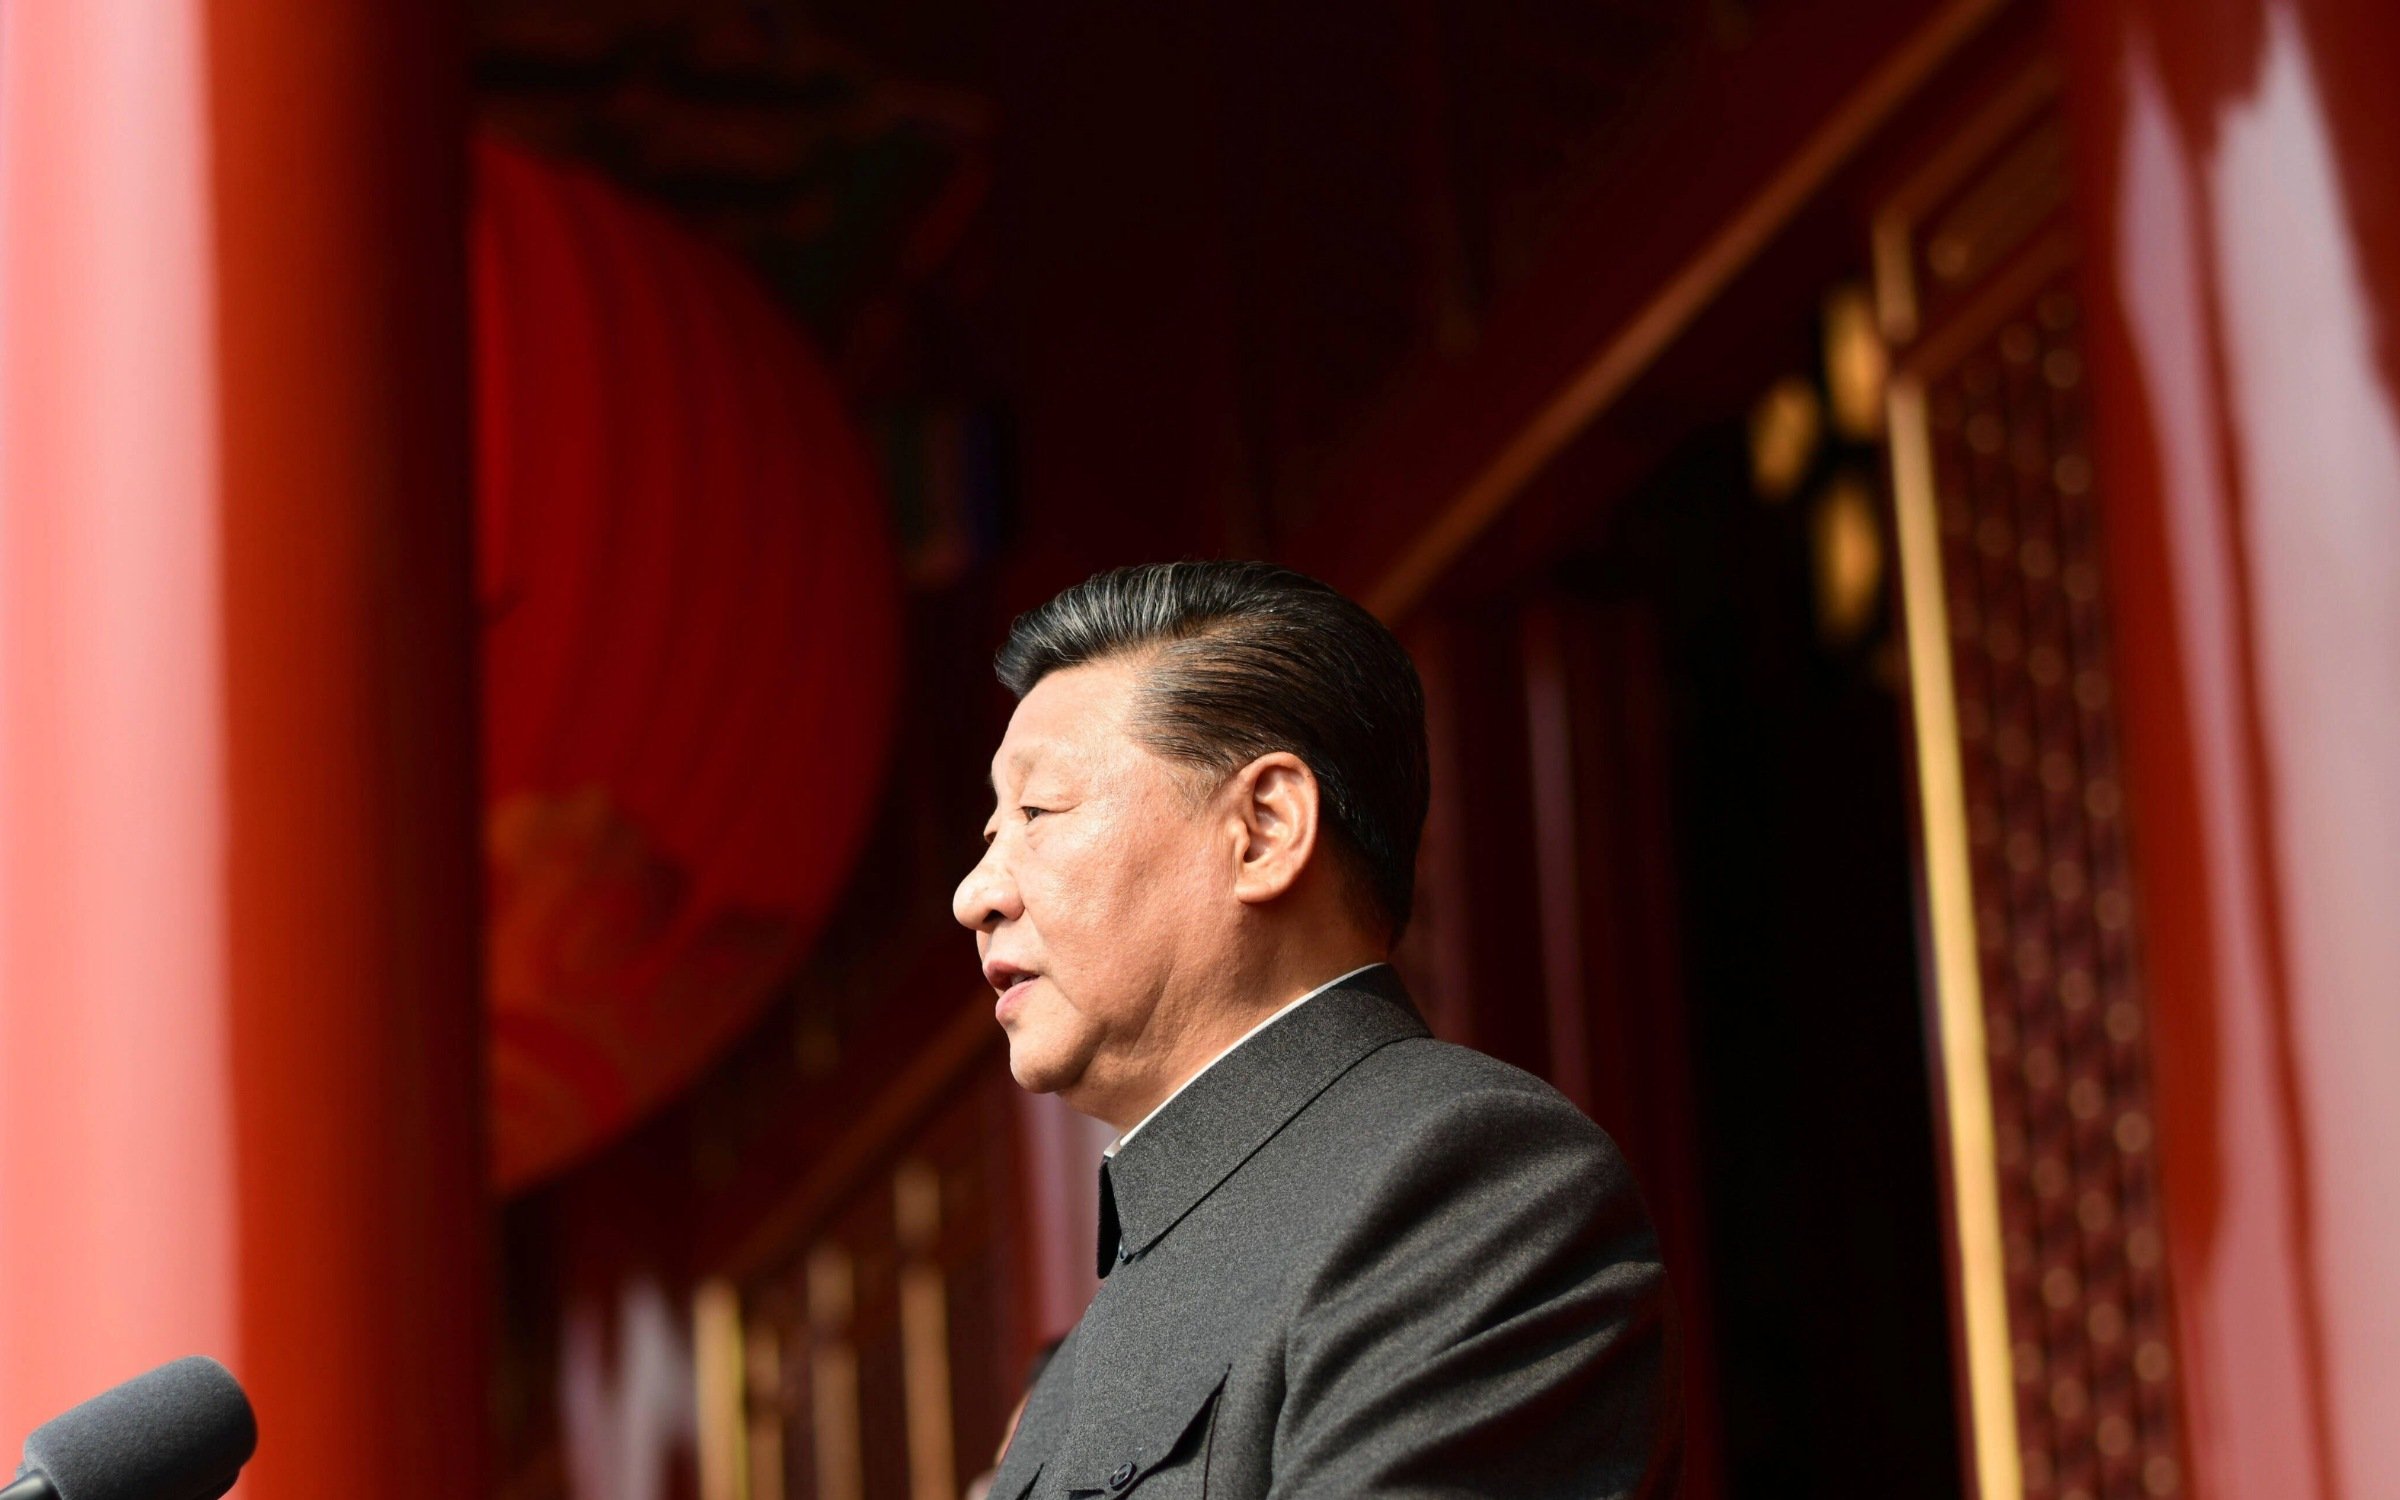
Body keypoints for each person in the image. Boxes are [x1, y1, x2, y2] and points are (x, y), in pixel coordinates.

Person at [953, 561, 1679, 1498]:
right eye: (988, 835)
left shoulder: (1468, 1189)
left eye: (1038, 813)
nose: (977, 896)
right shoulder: (1080, 1357)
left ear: (1263, 827)